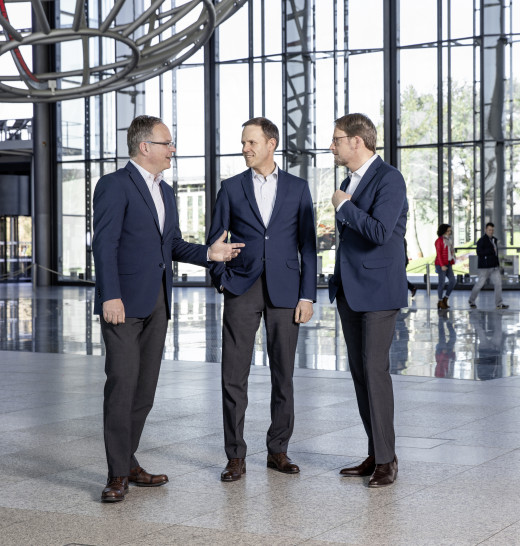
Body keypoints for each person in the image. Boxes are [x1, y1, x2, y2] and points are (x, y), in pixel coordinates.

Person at [92, 115, 243, 502]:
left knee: (144, 392)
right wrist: (110, 295)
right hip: (123, 303)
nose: (172, 149)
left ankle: (127, 461)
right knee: (122, 387)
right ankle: (115, 476)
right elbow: (104, 245)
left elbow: (171, 244)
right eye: (167, 143)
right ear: (145, 147)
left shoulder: (167, 192)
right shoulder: (113, 185)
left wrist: (210, 253)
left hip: (158, 303)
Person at [207, 117, 317, 481]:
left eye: (251, 142)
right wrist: (222, 281)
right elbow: (215, 242)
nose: (245, 149)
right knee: (233, 374)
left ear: (271, 144)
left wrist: (307, 295)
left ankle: (278, 450)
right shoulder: (231, 188)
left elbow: (309, 247)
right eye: (242, 143)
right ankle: (235, 455)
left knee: (283, 374)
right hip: (241, 287)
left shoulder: (298, 189)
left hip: (286, 290)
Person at [328, 113, 407, 488]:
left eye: (337, 139)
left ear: (357, 141)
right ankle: (376, 451)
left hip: (378, 292)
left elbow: (378, 231)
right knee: (361, 375)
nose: (333, 146)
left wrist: (344, 207)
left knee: (374, 372)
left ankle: (387, 461)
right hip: (350, 290)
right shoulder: (349, 181)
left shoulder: (389, 178)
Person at [468, 222, 508, 310]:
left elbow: (495, 254)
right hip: (485, 267)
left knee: (498, 284)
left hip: (494, 266)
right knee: (480, 284)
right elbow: (479, 252)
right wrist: (490, 251)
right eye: (489, 230)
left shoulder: (494, 240)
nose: (491, 231)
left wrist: (497, 264)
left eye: (492, 230)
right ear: (486, 230)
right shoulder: (481, 240)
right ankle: (471, 300)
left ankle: (499, 303)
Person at [435, 224, 455, 309]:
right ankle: (440, 301)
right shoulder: (439, 241)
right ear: (443, 231)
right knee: (442, 283)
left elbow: (450, 252)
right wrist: (442, 265)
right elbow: (438, 254)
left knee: (453, 281)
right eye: (448, 231)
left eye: (450, 231)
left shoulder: (449, 240)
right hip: (441, 264)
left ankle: (445, 299)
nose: (449, 232)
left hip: (448, 263)